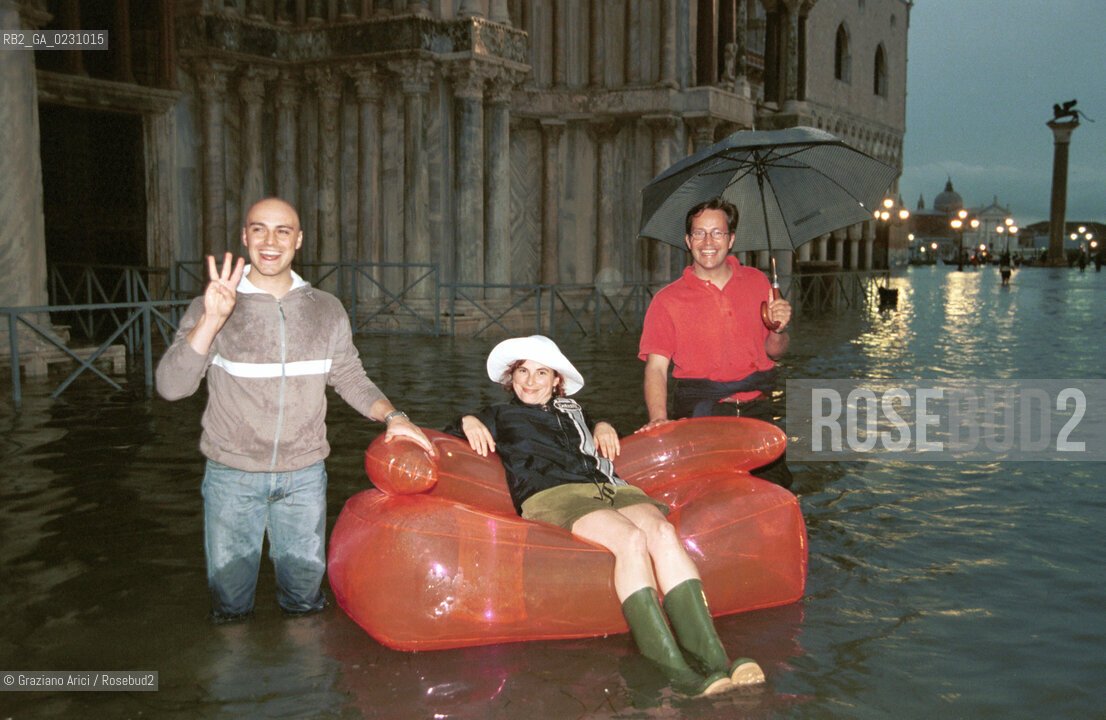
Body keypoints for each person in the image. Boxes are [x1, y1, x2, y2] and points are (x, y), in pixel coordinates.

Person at [156, 197, 432, 623]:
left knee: (305, 603)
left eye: (283, 230)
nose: (270, 241)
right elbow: (172, 387)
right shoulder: (210, 306)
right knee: (230, 607)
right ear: (244, 236)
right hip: (232, 478)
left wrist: (394, 416)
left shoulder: (326, 309)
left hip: (303, 479)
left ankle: (304, 685)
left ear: (299, 240)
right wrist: (211, 320)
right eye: (259, 229)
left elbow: (350, 377)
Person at [446, 335, 764, 697]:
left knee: (661, 531)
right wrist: (467, 419)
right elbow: (452, 430)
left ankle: (714, 658)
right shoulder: (499, 414)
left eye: (541, 372)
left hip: (611, 487)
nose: (530, 381)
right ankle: (671, 666)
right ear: (511, 377)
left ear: (556, 381)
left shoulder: (576, 411)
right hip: (555, 495)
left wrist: (603, 426)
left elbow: (592, 431)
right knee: (630, 539)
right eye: (522, 371)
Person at [638, 196, 793, 487]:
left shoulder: (759, 282)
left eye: (717, 233)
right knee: (708, 497)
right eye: (699, 233)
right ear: (688, 240)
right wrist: (659, 419)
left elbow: (776, 352)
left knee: (773, 494)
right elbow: (656, 368)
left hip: (758, 414)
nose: (708, 241)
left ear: (731, 239)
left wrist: (777, 329)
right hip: (701, 417)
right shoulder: (666, 300)